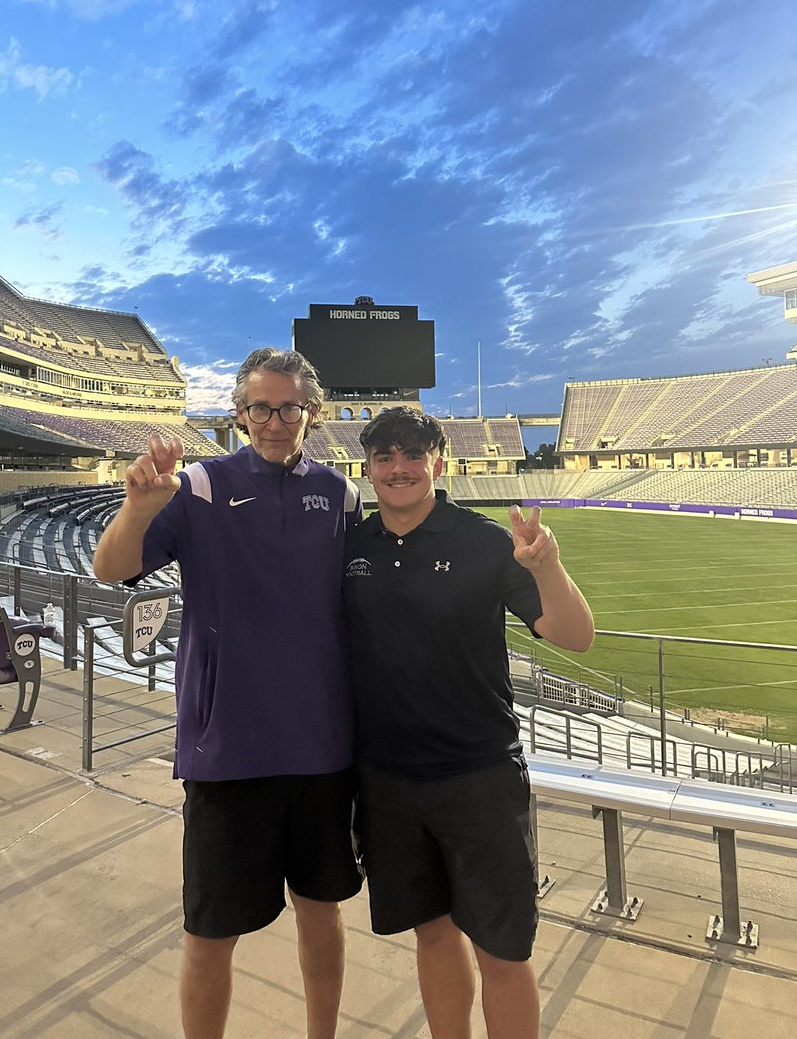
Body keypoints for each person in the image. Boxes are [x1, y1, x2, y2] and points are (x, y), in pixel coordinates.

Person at [93, 347, 363, 1039]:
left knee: (321, 913)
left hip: (321, 749)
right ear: (239, 414)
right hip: (227, 751)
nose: (275, 421)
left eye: (289, 407)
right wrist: (136, 507)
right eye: (261, 408)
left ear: (311, 413)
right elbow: (110, 568)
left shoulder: (339, 493)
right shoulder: (198, 487)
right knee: (209, 934)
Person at [342, 407, 594, 1039]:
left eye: (413, 453)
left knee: (503, 951)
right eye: (385, 455)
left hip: (478, 776)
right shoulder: (352, 545)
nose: (399, 467)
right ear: (368, 467)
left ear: (439, 462)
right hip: (388, 782)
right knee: (432, 933)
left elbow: (576, 636)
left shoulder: (484, 542)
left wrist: (545, 567)